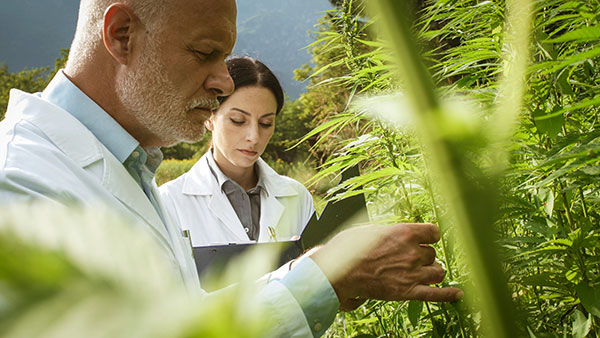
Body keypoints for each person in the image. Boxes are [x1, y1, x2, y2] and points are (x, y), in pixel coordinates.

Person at [0, 0, 462, 337]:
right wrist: (325, 276)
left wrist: (331, 275)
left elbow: (179, 320)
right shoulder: (20, 186)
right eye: (205, 53)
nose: (223, 82)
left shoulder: (131, 168)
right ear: (122, 34)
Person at [159, 57, 313, 246]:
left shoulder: (298, 198)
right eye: (238, 120)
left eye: (266, 123)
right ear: (209, 118)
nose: (254, 137)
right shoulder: (169, 202)